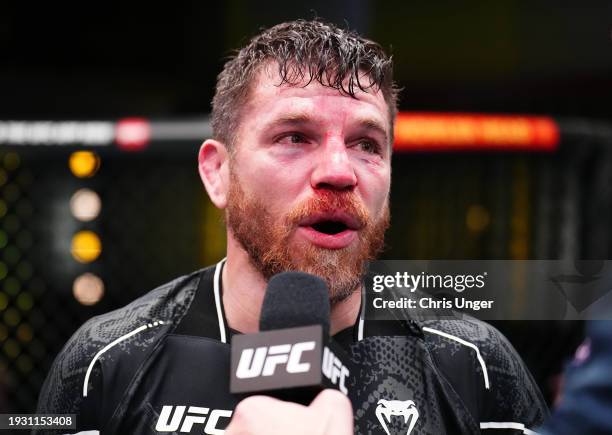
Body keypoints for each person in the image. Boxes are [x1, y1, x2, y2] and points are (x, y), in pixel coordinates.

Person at [36, 20, 547, 434]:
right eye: (295, 137)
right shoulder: (107, 362)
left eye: (367, 144)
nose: (339, 172)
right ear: (218, 172)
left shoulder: (472, 363)